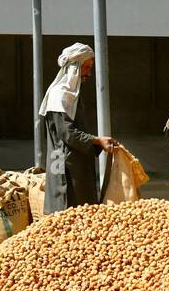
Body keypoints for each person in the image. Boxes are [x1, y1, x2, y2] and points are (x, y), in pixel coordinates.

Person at [39, 42, 118, 214]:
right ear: (75, 66)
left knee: (83, 209)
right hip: (64, 163)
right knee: (67, 208)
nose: (89, 73)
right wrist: (97, 140)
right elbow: (67, 133)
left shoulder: (72, 95)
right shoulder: (59, 95)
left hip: (75, 161)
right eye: (86, 68)